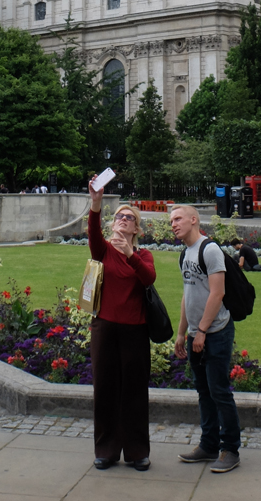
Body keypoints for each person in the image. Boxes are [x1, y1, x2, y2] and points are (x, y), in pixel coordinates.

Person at [87, 177, 156, 472]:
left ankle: (137, 451)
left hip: (135, 329)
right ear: (113, 224)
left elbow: (148, 279)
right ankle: (106, 449)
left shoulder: (142, 255)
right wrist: (97, 202)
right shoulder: (103, 251)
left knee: (135, 391)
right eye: (120, 217)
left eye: (130, 218)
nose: (124, 220)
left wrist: (130, 254)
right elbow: (91, 232)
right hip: (104, 326)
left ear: (136, 229)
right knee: (105, 389)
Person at [170, 204, 242, 474]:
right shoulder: (185, 253)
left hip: (216, 333)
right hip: (195, 333)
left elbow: (217, 293)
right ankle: (209, 444)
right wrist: (181, 332)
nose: (174, 224)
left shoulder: (209, 250)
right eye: (171, 221)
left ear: (193, 219)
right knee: (204, 392)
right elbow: (188, 295)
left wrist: (201, 330)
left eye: (178, 219)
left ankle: (230, 448)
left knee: (219, 391)